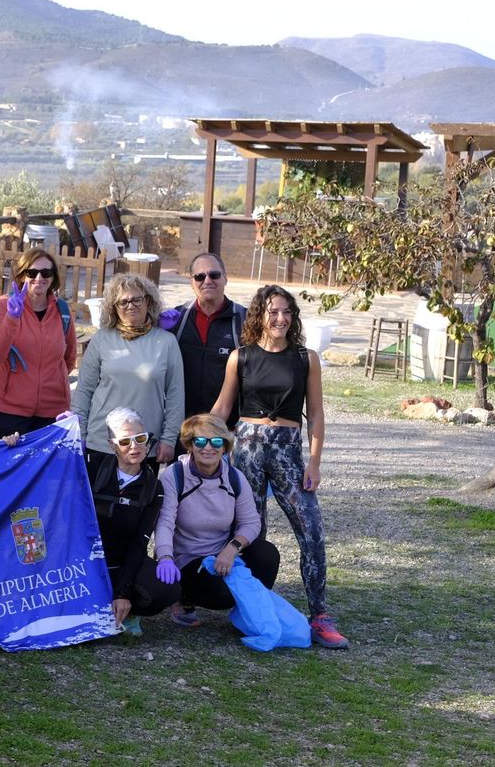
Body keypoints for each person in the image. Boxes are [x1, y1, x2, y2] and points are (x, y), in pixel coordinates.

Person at [210, 285, 347, 649]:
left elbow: (316, 415)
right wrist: (200, 440)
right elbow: (222, 409)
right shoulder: (240, 357)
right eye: (273, 312)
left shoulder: (306, 358)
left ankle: (319, 615)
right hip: (247, 451)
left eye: (287, 312)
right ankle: (254, 610)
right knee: (251, 535)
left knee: (312, 532)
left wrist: (314, 462)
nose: (280, 318)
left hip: (288, 452)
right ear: (260, 315)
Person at [153, 414, 280, 623]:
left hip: (224, 554)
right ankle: (183, 597)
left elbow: (251, 522)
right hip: (188, 560)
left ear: (225, 447)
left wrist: (232, 548)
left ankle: (251, 612)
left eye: (217, 441)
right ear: (190, 445)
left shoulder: (235, 478)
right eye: (200, 441)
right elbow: (165, 522)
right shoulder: (174, 476)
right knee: (223, 596)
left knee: (267, 554)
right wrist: (165, 557)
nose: (208, 448)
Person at [71, 273, 184, 472]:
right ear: (113, 308)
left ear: (148, 301)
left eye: (136, 299)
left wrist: (168, 438)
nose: (130, 305)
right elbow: (84, 391)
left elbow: (176, 395)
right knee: (99, 503)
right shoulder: (101, 339)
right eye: (122, 302)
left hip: (143, 444)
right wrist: (78, 434)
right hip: (103, 442)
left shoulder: (166, 342)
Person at [90, 407, 179, 637]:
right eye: (125, 441)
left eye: (140, 439)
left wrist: (123, 592)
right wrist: (15, 441)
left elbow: (140, 542)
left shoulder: (153, 487)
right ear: (112, 445)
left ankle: (126, 610)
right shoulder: (93, 468)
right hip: (86, 563)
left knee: (166, 590)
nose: (134, 446)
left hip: (121, 563)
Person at [0, 247, 78, 438]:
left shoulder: (62, 310)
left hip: (52, 410)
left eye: (46, 272)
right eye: (32, 272)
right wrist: (12, 318)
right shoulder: (4, 305)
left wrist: (51, 379)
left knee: (47, 468)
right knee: (10, 467)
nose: (39, 278)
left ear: (53, 277)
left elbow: (69, 359)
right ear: (22, 275)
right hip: (9, 410)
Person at [160, 253, 248, 422]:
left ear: (225, 278)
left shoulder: (244, 320)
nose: (207, 281)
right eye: (199, 276)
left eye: (214, 275)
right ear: (191, 282)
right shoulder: (177, 320)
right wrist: (156, 330)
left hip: (226, 429)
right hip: (182, 426)